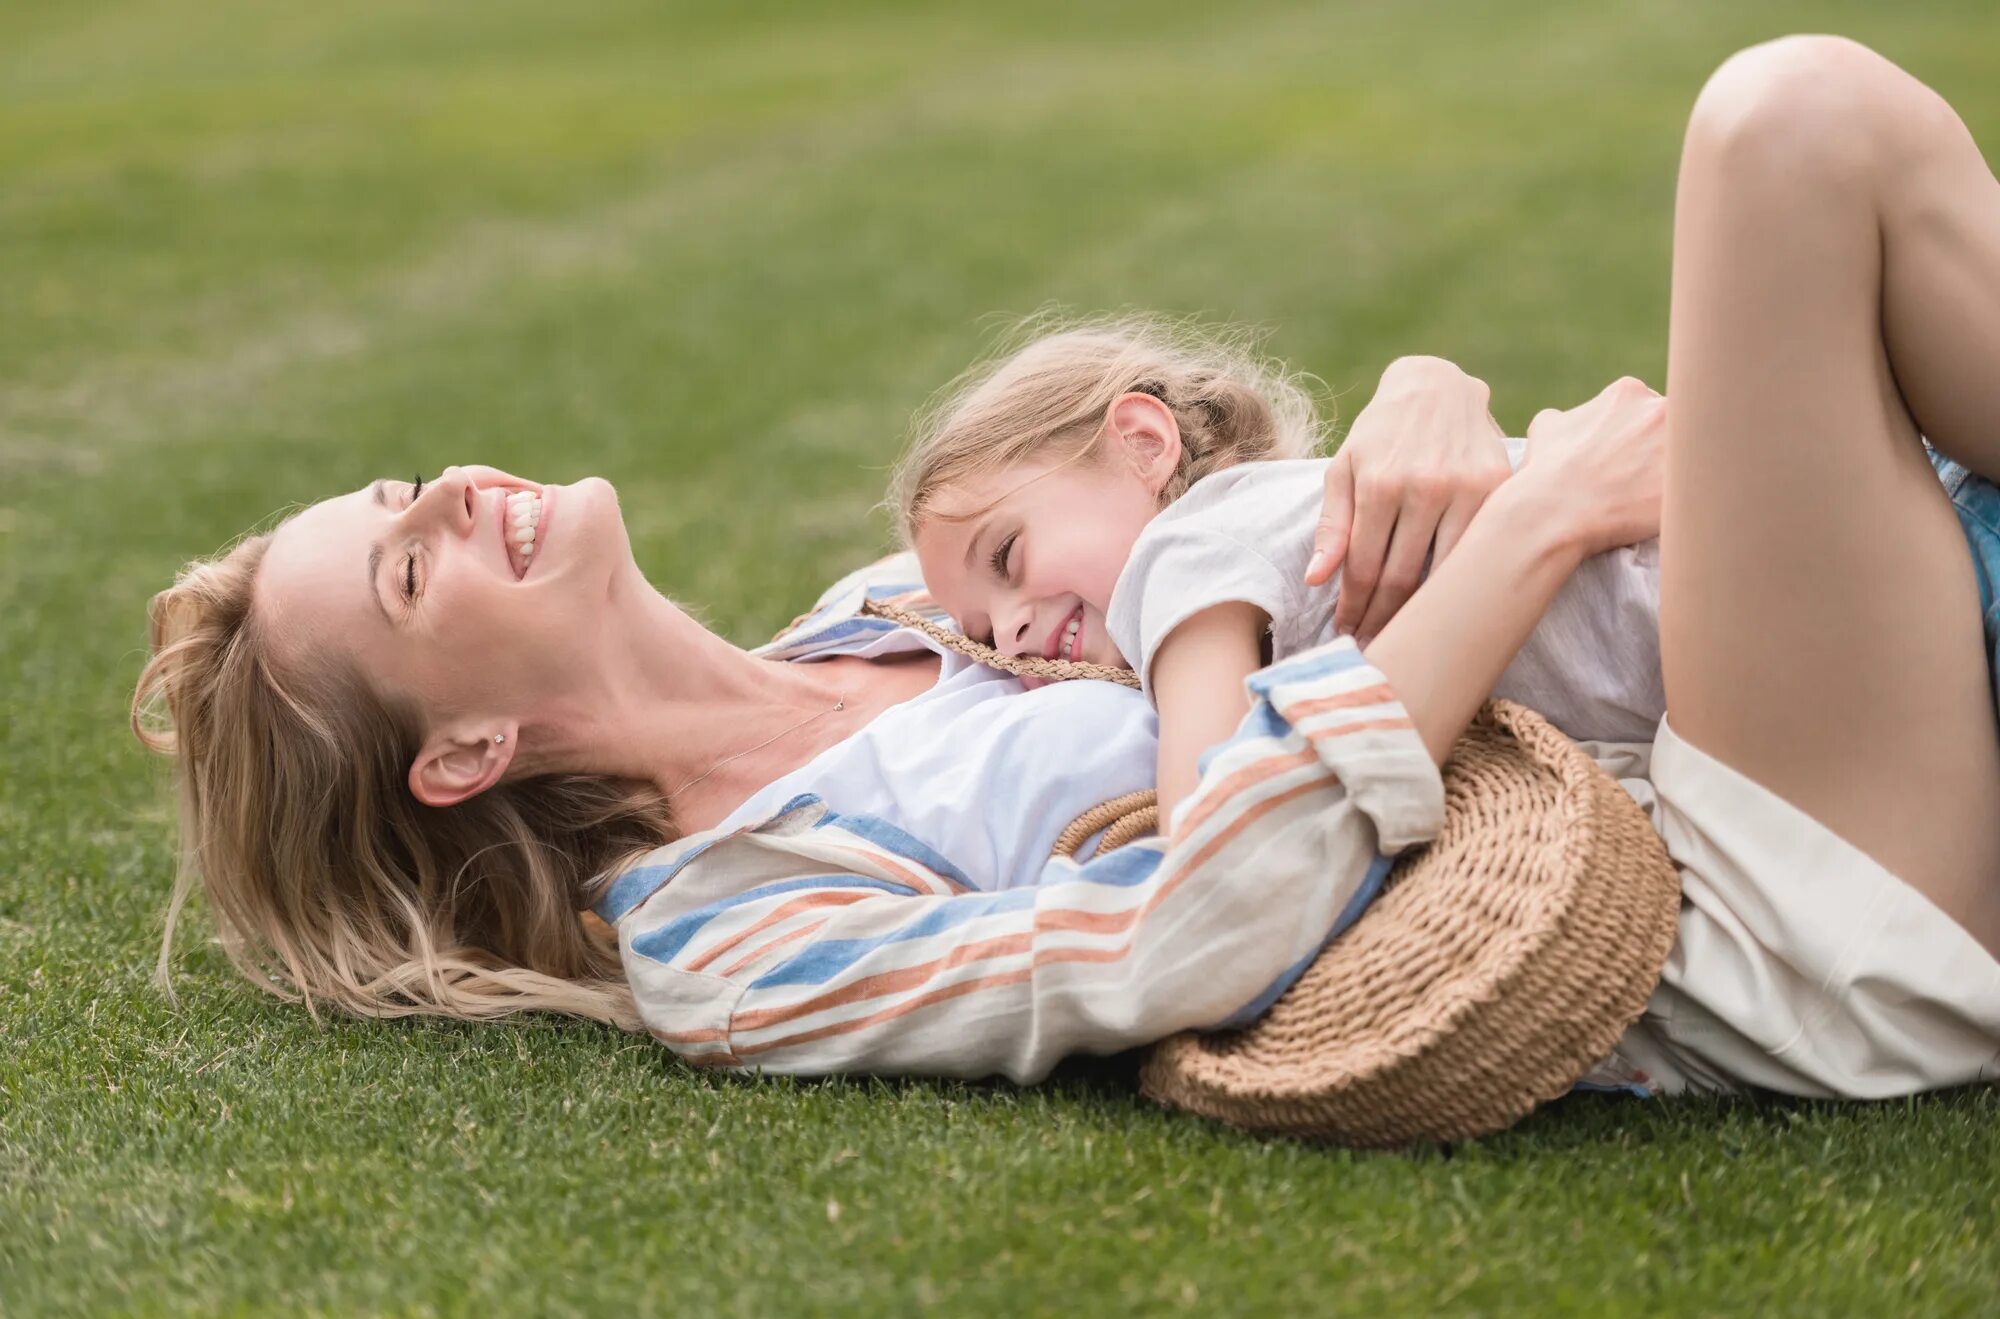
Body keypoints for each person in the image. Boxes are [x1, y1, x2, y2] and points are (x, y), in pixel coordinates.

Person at [134, 36, 2000, 1098]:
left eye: (401, 488)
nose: (451, 490)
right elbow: (1186, 932)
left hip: (1750, 710)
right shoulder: (732, 943)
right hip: (1767, 909)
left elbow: (1234, 515)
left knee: (1826, 177)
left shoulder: (898, 607)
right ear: (458, 751)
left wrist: (1421, 407)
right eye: (405, 569)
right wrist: (1528, 532)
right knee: (1791, 128)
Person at [890, 316, 1668, 829]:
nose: (1014, 629)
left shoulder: (1184, 549)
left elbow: (1217, 833)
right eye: (985, 631)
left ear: (1142, 443)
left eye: (1006, 557)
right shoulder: (1276, 532)